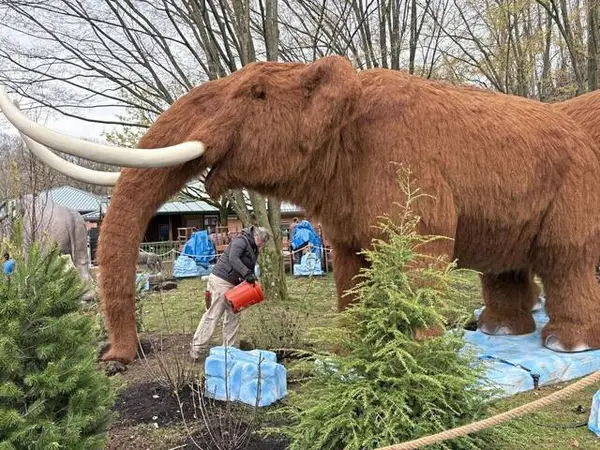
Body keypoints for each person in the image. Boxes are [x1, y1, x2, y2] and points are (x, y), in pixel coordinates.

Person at [190, 226, 270, 359]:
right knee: (214, 314)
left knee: (234, 316)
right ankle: (197, 349)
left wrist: (252, 278)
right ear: (257, 236)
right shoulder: (241, 241)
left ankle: (228, 350)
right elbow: (233, 258)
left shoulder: (253, 247)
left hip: (235, 284)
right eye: (262, 242)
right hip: (221, 280)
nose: (262, 245)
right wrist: (246, 274)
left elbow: (248, 266)